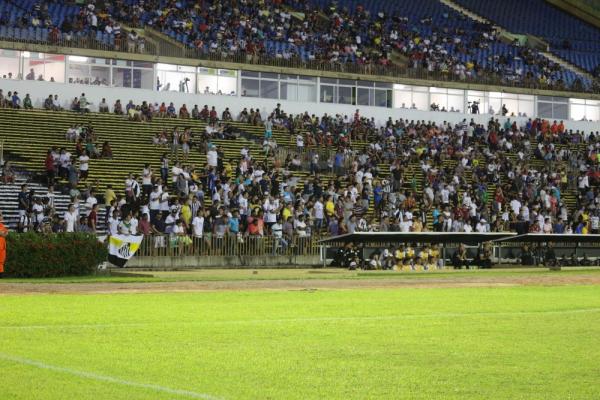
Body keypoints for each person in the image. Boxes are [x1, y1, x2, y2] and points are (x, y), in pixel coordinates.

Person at [0, 211, 8, 277]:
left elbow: (6, 233)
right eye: (1, 215)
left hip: (2, 246)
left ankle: (1, 274)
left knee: (2, 261)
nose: (2, 217)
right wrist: (3, 233)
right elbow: (2, 233)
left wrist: (3, 233)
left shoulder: (2, 225)